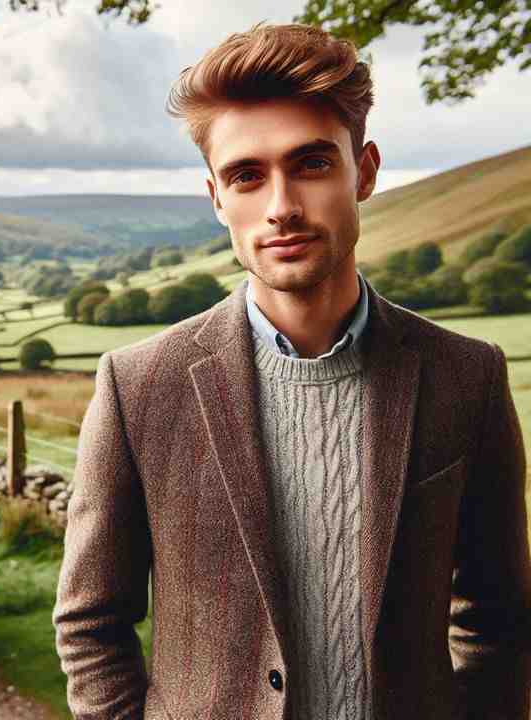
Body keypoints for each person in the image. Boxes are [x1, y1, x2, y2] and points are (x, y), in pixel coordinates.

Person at [53, 23, 530, 720]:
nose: (281, 206)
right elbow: (91, 623)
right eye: (248, 174)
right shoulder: (137, 388)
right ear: (216, 195)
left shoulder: (469, 377)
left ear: (363, 171)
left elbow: (499, 618)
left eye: (310, 164)